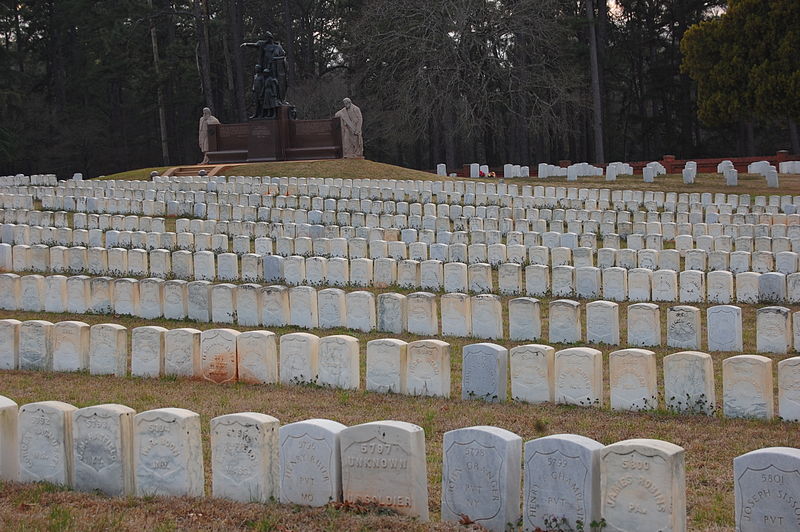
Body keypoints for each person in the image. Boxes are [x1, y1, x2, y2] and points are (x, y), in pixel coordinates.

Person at [241, 32, 287, 117]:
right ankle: (262, 112)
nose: (267, 39)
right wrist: (246, 44)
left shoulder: (278, 47)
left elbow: (283, 55)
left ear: (271, 38)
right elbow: (255, 45)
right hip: (265, 66)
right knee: (264, 84)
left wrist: (275, 59)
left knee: (274, 83)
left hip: (274, 67)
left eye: (268, 38)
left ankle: (277, 100)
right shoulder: (263, 45)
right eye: (266, 38)